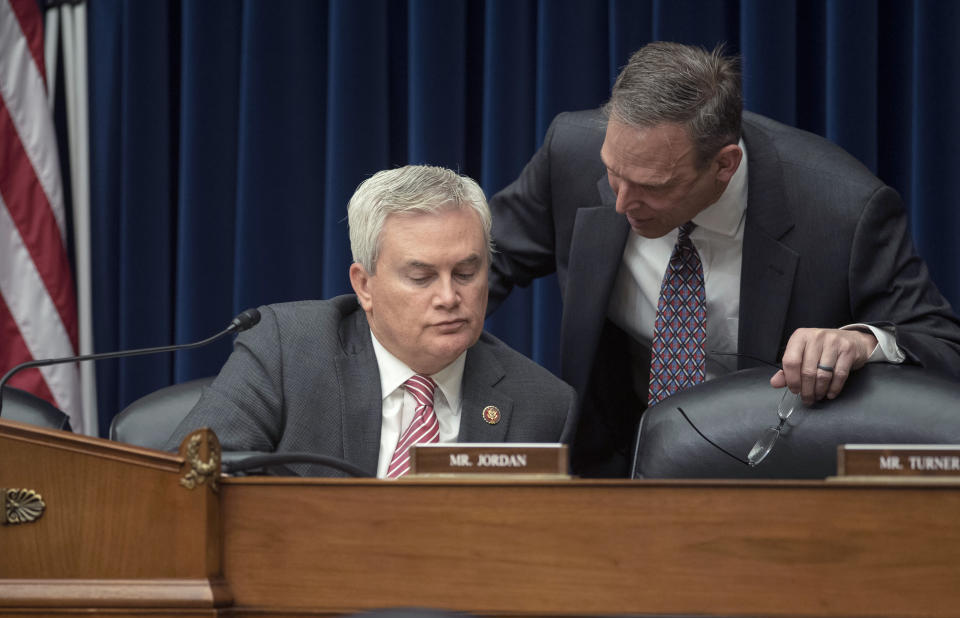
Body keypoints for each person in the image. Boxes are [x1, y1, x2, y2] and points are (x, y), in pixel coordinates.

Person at [487, 41, 960, 477]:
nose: (621, 203)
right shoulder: (571, 153)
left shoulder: (845, 212)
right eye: (614, 173)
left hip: (770, 477)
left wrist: (861, 342)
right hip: (613, 467)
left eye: (653, 187)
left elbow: (939, 344)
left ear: (724, 165)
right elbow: (484, 260)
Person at [166, 165, 576, 477]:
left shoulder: (543, 407)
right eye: (421, 277)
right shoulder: (286, 352)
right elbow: (182, 481)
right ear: (364, 285)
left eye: (467, 273)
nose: (450, 297)